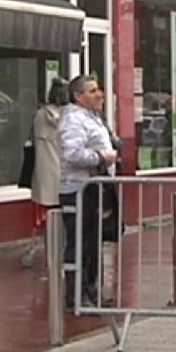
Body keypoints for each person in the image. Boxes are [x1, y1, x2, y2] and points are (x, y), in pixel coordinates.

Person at [59, 75, 118, 309]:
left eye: (99, 89)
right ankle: (76, 296)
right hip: (80, 189)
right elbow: (72, 154)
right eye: (92, 91)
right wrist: (102, 157)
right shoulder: (73, 119)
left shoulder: (93, 117)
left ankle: (92, 291)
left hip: (96, 187)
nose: (100, 94)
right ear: (78, 96)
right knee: (80, 242)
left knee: (94, 241)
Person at [18, 78, 68, 268]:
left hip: (43, 175)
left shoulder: (39, 116)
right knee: (65, 219)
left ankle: (50, 257)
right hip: (64, 175)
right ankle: (61, 258)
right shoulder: (68, 119)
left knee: (47, 219)